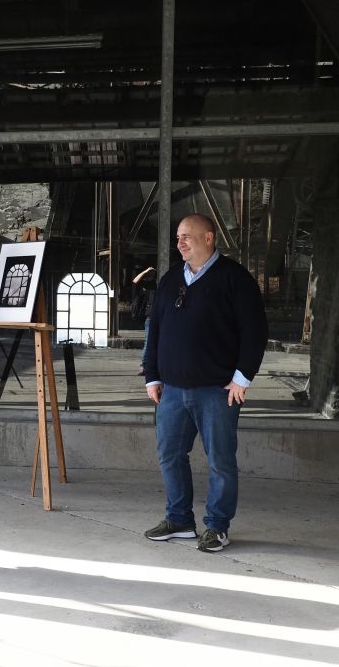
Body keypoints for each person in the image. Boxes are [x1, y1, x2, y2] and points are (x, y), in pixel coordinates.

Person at [143, 213, 267, 552]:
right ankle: (180, 519)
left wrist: (242, 378)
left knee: (220, 461)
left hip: (217, 391)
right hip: (171, 390)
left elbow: (255, 332)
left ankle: (217, 526)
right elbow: (155, 331)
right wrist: (152, 375)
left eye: (187, 235)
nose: (180, 242)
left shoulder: (235, 279)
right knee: (170, 454)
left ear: (209, 237)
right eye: (178, 236)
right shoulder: (171, 280)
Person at [132, 265, 157, 375]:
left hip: (157, 317)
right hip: (151, 317)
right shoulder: (147, 286)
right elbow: (135, 281)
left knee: (156, 342)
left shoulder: (157, 286)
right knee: (148, 342)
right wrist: (145, 271)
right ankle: (144, 365)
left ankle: (150, 365)